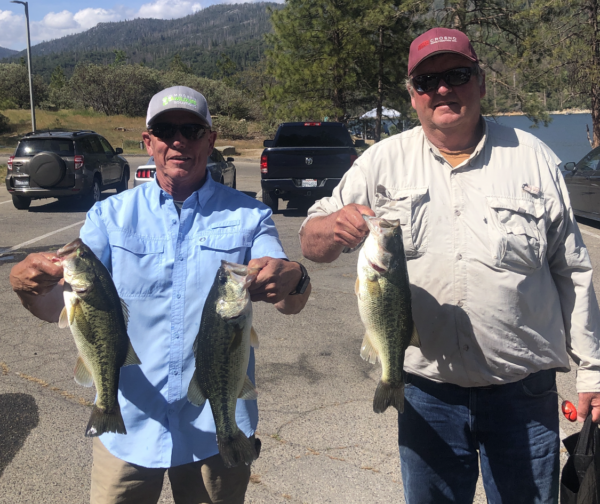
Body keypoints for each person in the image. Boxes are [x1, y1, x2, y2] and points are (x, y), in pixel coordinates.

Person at [299, 28, 600, 504]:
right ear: (412, 94)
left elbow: (574, 274)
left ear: (480, 82)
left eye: (457, 75)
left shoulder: (534, 159)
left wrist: (593, 372)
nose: (442, 89)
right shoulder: (381, 163)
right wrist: (330, 228)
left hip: (523, 393)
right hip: (426, 393)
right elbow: (311, 242)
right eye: (426, 80)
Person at [10, 85, 311, 504]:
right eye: (165, 130)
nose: (178, 141)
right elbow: (58, 306)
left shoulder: (250, 215)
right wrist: (26, 287)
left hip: (214, 427)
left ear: (210, 139)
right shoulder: (109, 216)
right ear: (147, 141)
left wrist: (295, 276)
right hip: (127, 427)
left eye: (191, 130)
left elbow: (289, 302)